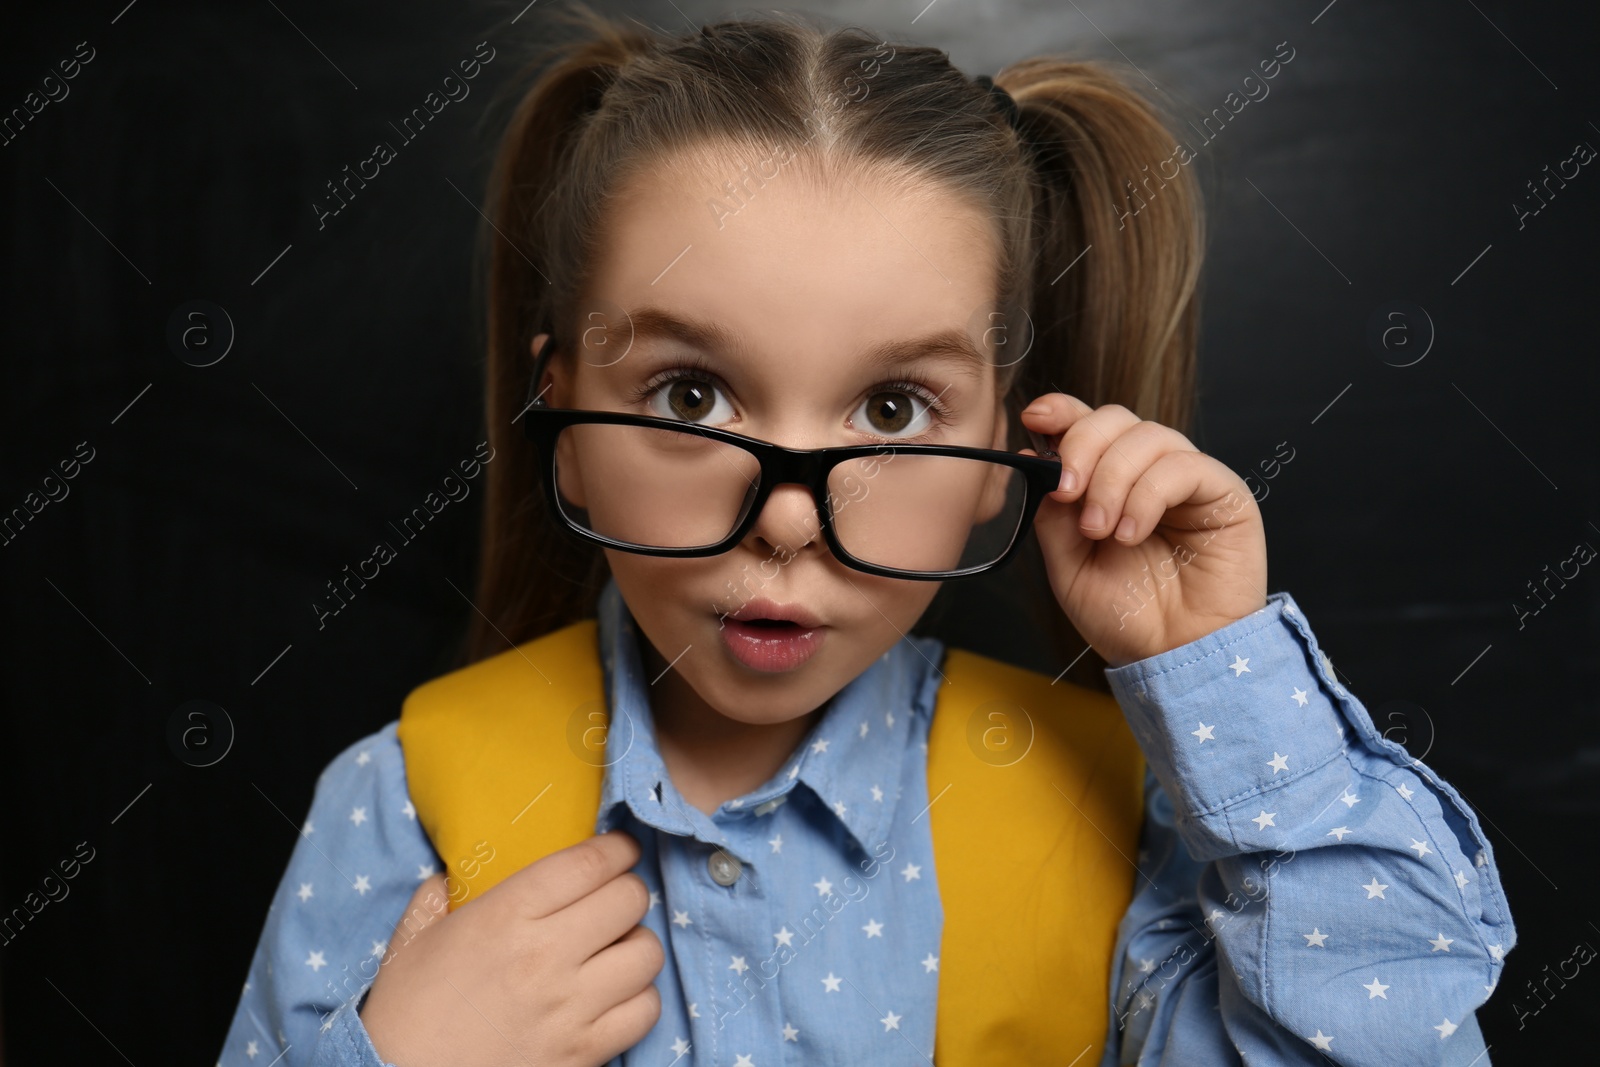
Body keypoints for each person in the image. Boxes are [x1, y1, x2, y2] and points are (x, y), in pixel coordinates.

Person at [218, 5, 1516, 1064]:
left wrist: (1220, 668)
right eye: (690, 395)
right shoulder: (409, 806)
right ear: (564, 407)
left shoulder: (1110, 819)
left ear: (1004, 462)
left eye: (894, 408)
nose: (786, 517)